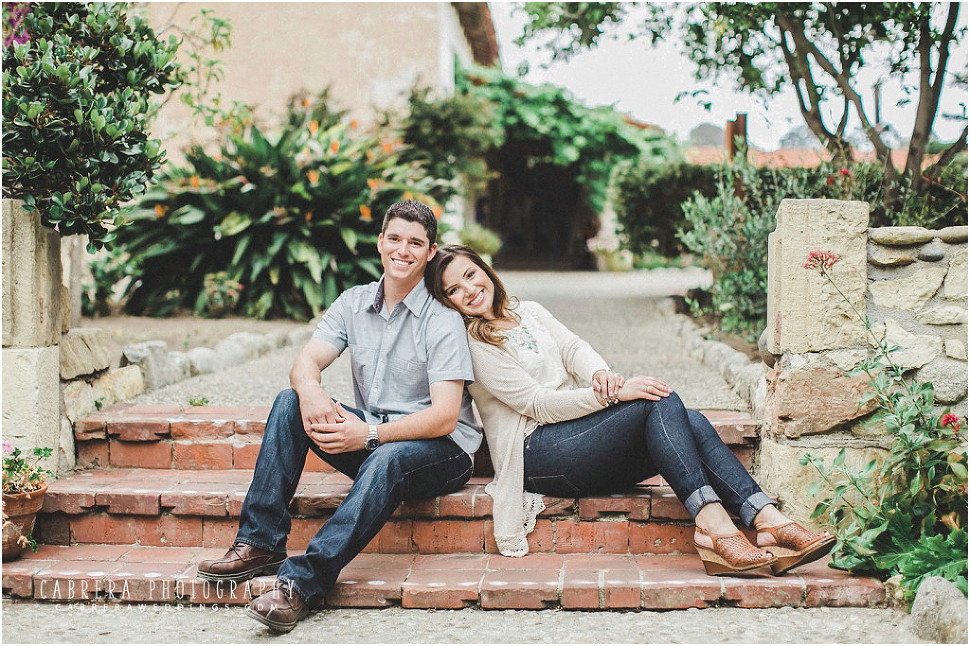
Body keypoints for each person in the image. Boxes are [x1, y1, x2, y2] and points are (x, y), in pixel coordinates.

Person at [425, 244, 835, 576]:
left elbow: (573, 350)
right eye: (453, 290)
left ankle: (764, 521)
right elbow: (537, 405)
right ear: (449, 303)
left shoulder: (528, 311)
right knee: (655, 401)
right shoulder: (475, 346)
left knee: (685, 419)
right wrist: (610, 396)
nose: (469, 290)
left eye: (470, 275)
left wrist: (602, 374)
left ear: (484, 269)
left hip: (576, 438)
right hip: (536, 454)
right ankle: (718, 524)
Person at [197, 202, 481, 632]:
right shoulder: (353, 303)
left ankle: (299, 585)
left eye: (415, 243)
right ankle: (260, 541)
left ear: (429, 252)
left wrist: (367, 434)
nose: (403, 250)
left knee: (387, 458)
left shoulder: (442, 321)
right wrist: (311, 392)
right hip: (376, 438)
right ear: (380, 242)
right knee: (289, 402)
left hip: (443, 451)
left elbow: (443, 418)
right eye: (395, 238)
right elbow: (305, 363)